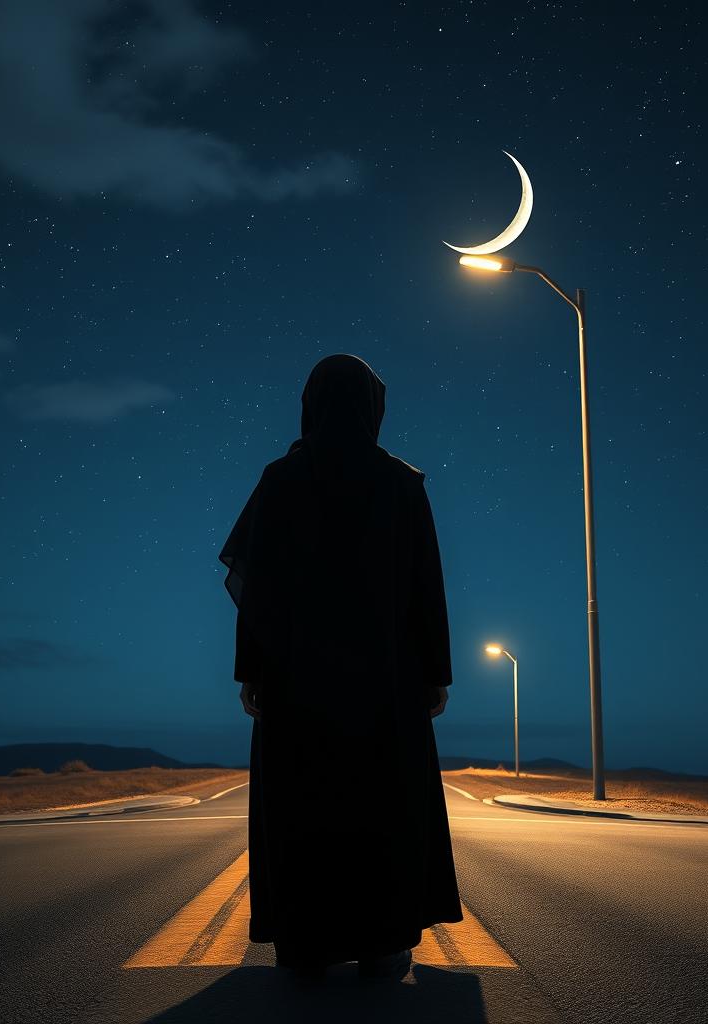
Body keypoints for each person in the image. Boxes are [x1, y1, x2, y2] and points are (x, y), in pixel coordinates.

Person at [218, 353, 462, 979]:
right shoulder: (404, 485)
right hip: (386, 689)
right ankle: (384, 941)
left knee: (305, 810)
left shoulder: (280, 480)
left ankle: (305, 944)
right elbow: (425, 590)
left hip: (299, 690)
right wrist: (435, 673)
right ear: (372, 410)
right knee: (385, 809)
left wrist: (253, 673)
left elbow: (258, 589)